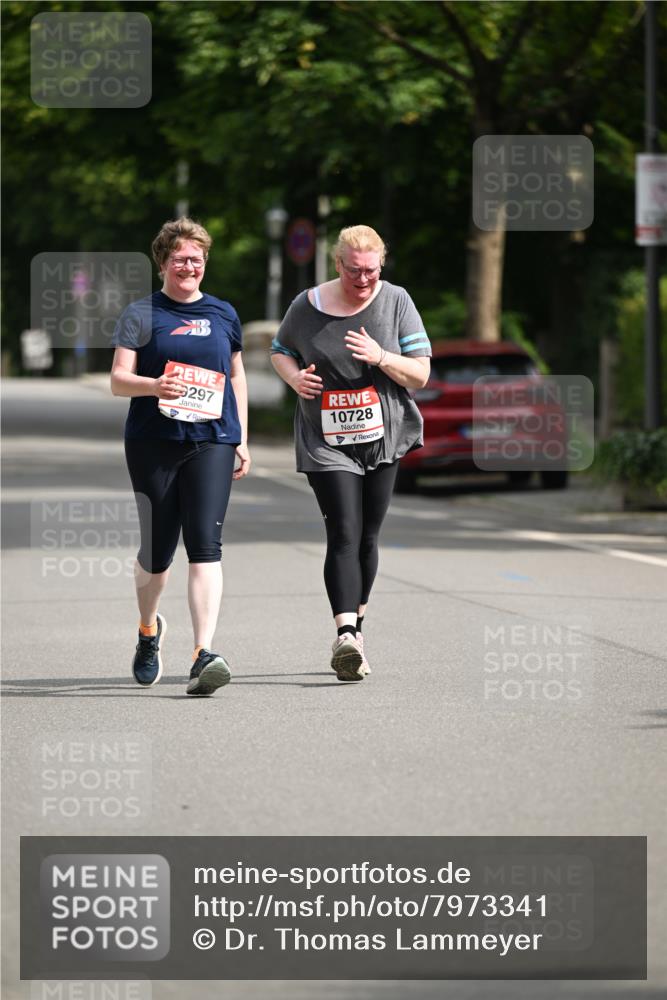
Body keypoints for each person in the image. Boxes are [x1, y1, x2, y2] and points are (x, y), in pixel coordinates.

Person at [271, 225, 431, 681]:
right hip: (325, 437)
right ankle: (344, 632)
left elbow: (419, 374)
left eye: (372, 270)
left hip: (383, 432)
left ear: (382, 265)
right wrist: (294, 378)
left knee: (367, 536)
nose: (363, 279)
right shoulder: (308, 305)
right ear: (337, 263)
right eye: (354, 270)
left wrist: (381, 355)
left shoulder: (396, 300)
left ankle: (356, 632)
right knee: (343, 528)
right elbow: (280, 349)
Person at [110, 217, 250, 696]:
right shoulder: (140, 313)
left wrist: (242, 437)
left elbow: (236, 377)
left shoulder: (224, 314)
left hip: (212, 439)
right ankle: (148, 631)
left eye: (197, 259)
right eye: (180, 259)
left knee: (206, 547)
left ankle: (203, 653)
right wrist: (154, 386)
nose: (189, 266)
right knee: (156, 552)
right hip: (153, 441)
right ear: (163, 263)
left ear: (205, 263)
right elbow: (117, 380)